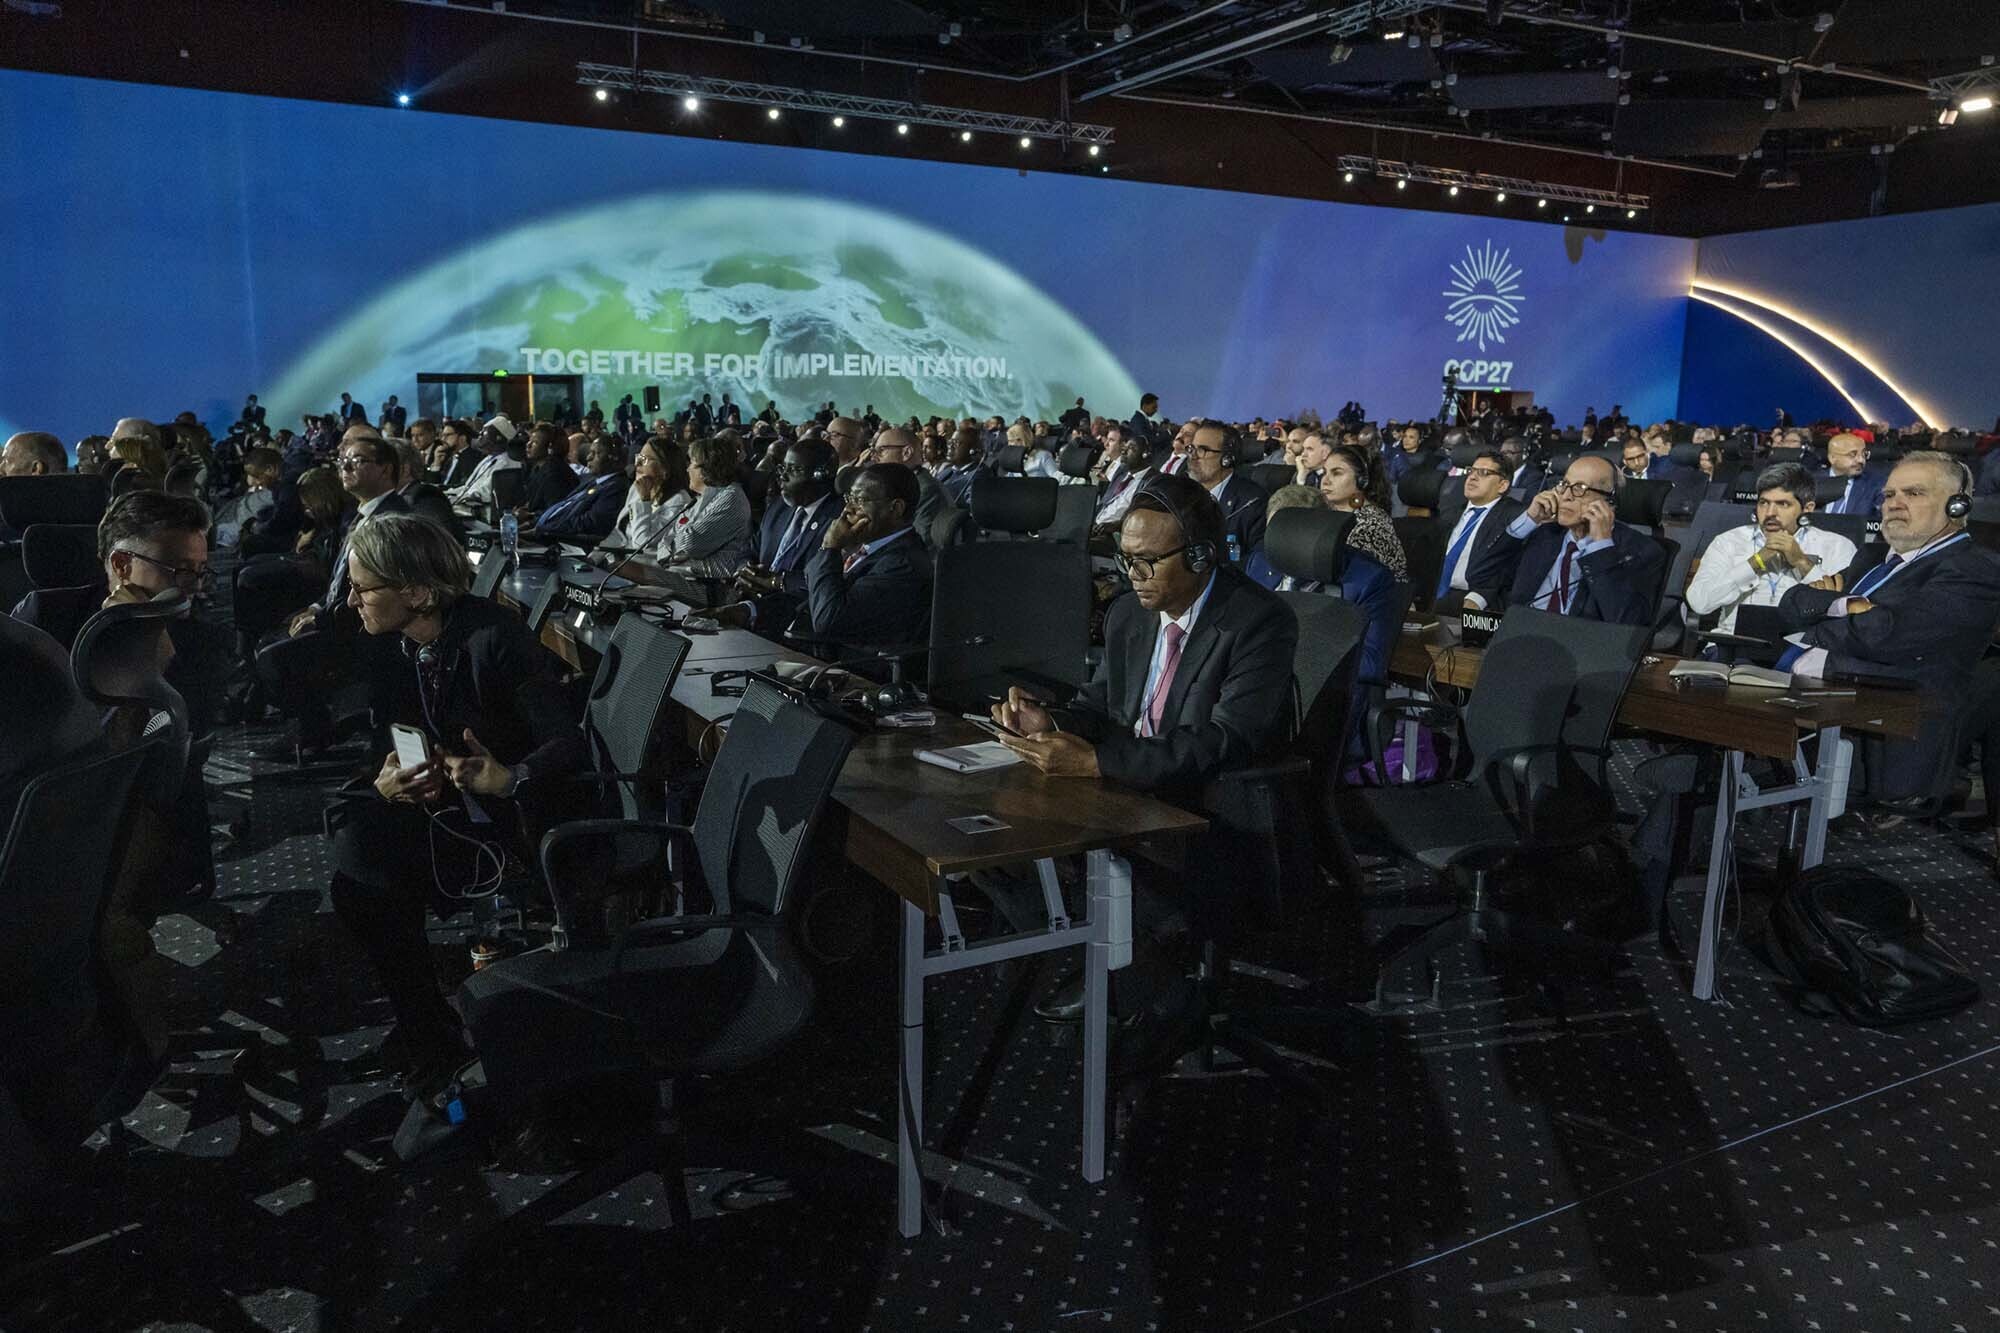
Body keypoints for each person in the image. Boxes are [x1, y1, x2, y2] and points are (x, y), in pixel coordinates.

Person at [993, 473, 1298, 1065]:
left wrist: (1100, 760)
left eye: (1145, 562)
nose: (1131, 577)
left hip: (1212, 815)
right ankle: (1129, 968)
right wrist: (1050, 722)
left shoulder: (1258, 621)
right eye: (1124, 560)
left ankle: (1148, 985)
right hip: (1132, 795)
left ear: (1203, 556)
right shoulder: (1129, 617)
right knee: (1002, 841)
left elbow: (1225, 741)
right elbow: (1101, 708)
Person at [325, 513, 585, 1093]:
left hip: (511, 824)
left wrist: (510, 776)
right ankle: (427, 1029)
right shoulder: (399, 646)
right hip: (455, 809)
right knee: (360, 851)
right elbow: (391, 742)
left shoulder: (495, 638)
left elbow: (568, 741)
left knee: (364, 876)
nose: (351, 600)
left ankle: (428, 1032)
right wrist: (388, 781)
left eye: (363, 588)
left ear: (416, 592)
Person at [1776, 451, 2000, 800]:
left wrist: (1820, 624)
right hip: (1810, 695)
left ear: (1957, 507)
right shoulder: (1870, 558)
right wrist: (1853, 606)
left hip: (1880, 725)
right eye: (1889, 495)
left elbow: (1888, 635)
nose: (1894, 503)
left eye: (1914, 493)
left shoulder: (1972, 568)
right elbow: (1793, 603)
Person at [1467, 453, 1664, 625]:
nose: (1566, 497)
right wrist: (1529, 519)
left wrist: (1601, 546)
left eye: (1580, 488)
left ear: (1609, 502)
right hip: (1518, 638)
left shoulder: (1642, 551)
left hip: (1578, 652)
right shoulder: (1544, 535)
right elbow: (1479, 575)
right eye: (1564, 485)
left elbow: (1627, 623)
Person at [1684, 462, 1856, 637]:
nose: (1770, 513)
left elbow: (1844, 610)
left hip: (1800, 649)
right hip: (1733, 644)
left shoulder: (1837, 546)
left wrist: (1802, 563)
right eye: (1763, 503)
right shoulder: (1729, 541)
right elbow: (1699, 603)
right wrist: (1755, 563)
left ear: (1807, 508)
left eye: (1782, 504)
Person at [795, 462, 932, 659]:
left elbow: (829, 621)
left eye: (859, 500)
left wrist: (830, 548)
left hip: (851, 670)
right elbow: (814, 590)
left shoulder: (902, 565)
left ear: (896, 508)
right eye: (849, 498)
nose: (848, 509)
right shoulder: (867, 544)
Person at [644, 434, 752, 580]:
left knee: (629, 571)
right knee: (617, 565)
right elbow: (665, 541)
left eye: (692, 464)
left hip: (711, 585)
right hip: (680, 573)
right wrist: (675, 551)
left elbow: (691, 544)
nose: (688, 469)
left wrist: (674, 549)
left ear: (707, 468)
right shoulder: (699, 499)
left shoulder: (732, 498)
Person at [1433, 449, 1525, 609]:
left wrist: (1478, 598)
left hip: (1472, 598)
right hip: (1431, 592)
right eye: (1471, 471)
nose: (1472, 477)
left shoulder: (1513, 517)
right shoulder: (1449, 513)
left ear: (1502, 485)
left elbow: (1506, 569)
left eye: (1483, 472)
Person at [1316, 443, 1407, 580]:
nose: (1325, 481)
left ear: (1362, 481)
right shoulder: (1330, 515)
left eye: (1336, 473)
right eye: (1324, 472)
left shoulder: (1369, 526)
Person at [1183, 420, 1265, 565]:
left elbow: (1255, 564)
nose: (1193, 456)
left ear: (1227, 459)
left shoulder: (1251, 503)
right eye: (1191, 448)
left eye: (1203, 450)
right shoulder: (1182, 493)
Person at [527, 438, 629, 542]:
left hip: (562, 541)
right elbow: (563, 507)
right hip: (544, 529)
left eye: (595, 453)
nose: (588, 458)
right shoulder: (589, 479)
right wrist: (531, 522)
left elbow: (588, 523)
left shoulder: (617, 488)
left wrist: (543, 529)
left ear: (614, 458)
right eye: (590, 453)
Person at [606, 437, 693, 551]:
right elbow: (619, 533)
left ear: (664, 468)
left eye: (646, 459)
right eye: (639, 457)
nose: (638, 463)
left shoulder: (679, 500)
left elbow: (642, 542)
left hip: (645, 565)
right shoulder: (637, 488)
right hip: (619, 561)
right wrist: (594, 559)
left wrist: (644, 501)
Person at [866, 427, 945, 544]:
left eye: (880, 451)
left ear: (906, 453)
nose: (873, 458)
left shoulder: (925, 489)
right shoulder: (901, 483)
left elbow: (920, 543)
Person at [445, 416, 523, 509]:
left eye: (484, 432)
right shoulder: (488, 459)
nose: (480, 435)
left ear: (498, 438)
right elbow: (468, 487)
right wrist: (447, 493)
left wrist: (459, 498)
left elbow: (485, 493)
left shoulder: (507, 463)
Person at [516, 424, 579, 515]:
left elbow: (555, 511)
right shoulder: (538, 467)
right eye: (530, 440)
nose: (528, 445)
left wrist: (529, 515)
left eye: (535, 442)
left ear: (549, 447)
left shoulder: (555, 473)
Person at [1819, 432, 1885, 517]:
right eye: (1852, 454)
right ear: (1832, 458)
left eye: (1864, 454)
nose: (1861, 460)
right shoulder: (1813, 481)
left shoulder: (1876, 485)